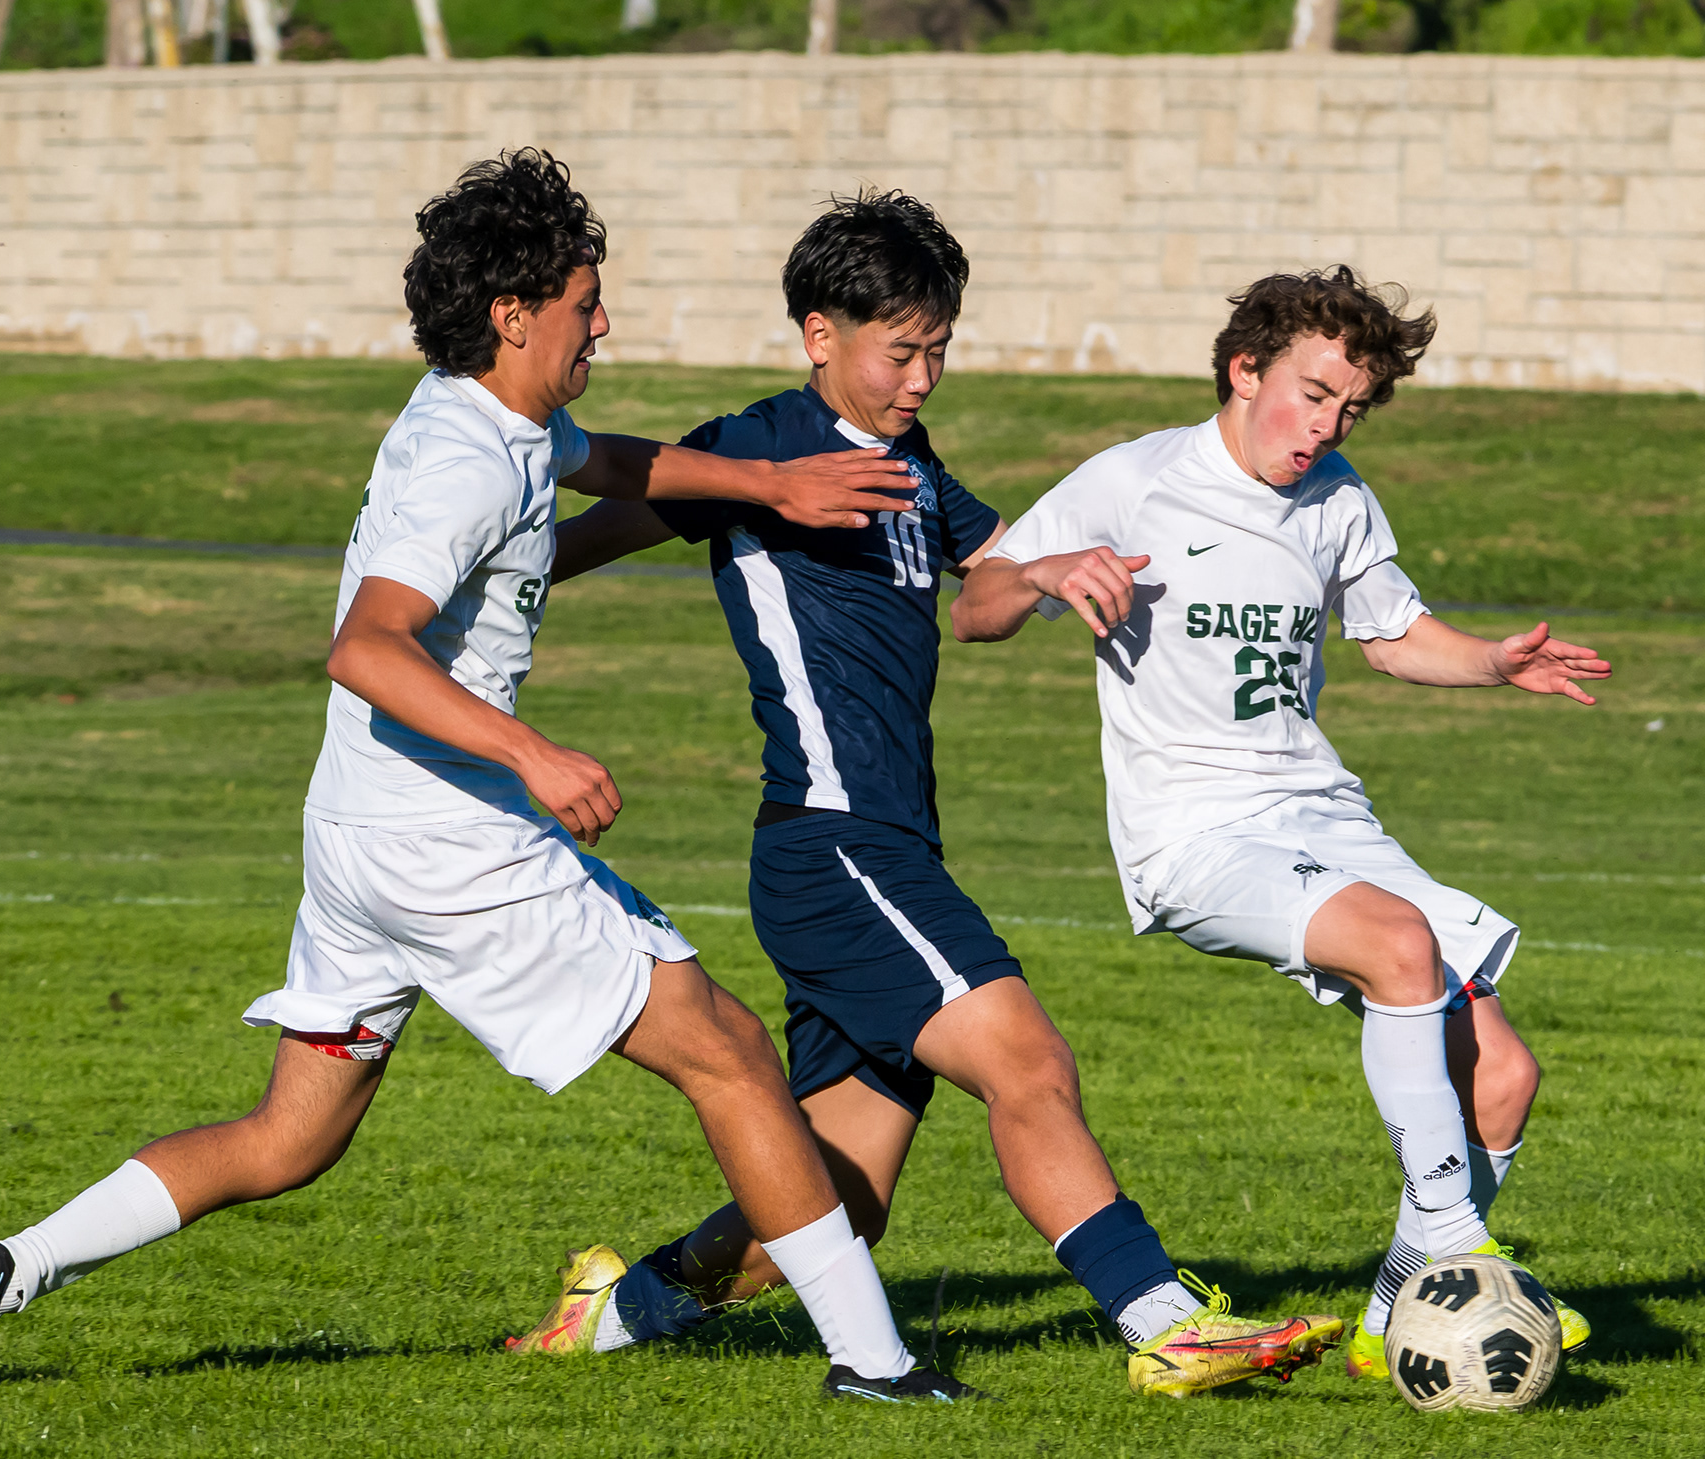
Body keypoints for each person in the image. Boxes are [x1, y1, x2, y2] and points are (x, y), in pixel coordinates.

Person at [0, 148, 981, 1404]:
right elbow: (366, 647)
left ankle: (5, 1270)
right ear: (514, 314)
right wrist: (532, 751)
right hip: (449, 842)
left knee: (289, 1138)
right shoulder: (467, 461)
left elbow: (610, 464)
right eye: (585, 301)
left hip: (357, 834)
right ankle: (875, 1363)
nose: (603, 322)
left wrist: (766, 483)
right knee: (728, 1050)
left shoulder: (486, 412)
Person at [520, 190, 1345, 1398]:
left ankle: (613, 1311)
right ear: (820, 335)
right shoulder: (757, 443)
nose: (922, 379)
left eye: (939, 351)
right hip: (832, 844)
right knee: (1027, 1059)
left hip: (888, 846)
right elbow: (590, 528)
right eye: (900, 352)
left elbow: (988, 591)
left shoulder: (913, 464)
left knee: (837, 1202)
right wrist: (471, 587)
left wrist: (1051, 570)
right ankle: (1169, 1324)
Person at [950, 265, 1603, 1379]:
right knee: (1399, 943)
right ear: (1245, 370)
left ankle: (1396, 1314)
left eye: (1351, 408)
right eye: (1313, 394)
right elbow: (975, 608)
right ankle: (1460, 1251)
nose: (1326, 426)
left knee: (1500, 1077)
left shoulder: (1338, 497)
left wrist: (1493, 662)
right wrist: (1046, 572)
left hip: (1321, 813)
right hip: (1194, 831)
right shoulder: (1137, 478)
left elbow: (1392, 635)